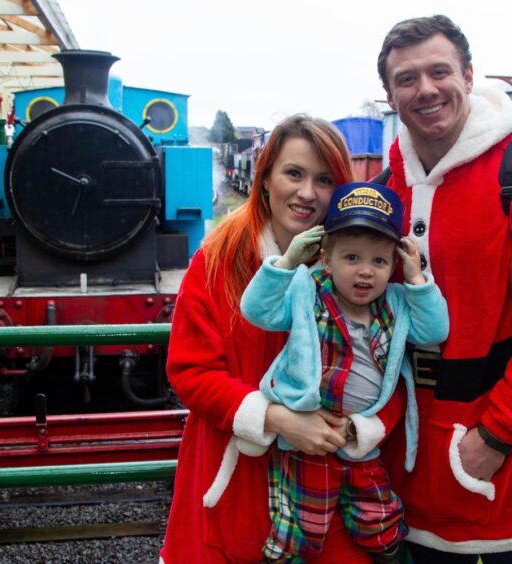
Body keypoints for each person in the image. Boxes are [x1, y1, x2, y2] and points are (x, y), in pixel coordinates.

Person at [375, 15, 512, 563]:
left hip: (508, 459)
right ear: (389, 94)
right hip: (413, 463)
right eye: (406, 79)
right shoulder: (385, 193)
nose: (425, 89)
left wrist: (496, 437)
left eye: (439, 71)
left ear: (469, 76)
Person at [162, 115, 386, 563]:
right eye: (294, 174)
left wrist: (354, 429)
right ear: (264, 178)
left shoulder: (359, 269)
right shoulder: (218, 260)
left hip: (330, 482)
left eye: (323, 179)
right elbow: (191, 371)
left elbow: (391, 363)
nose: (306, 193)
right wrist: (277, 419)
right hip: (237, 478)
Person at [216, 181, 449, 562]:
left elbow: (434, 330)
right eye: (352, 258)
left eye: (379, 261)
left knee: (378, 515)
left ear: (393, 265)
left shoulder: (396, 302)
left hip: (360, 437)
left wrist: (417, 278)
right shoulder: (309, 290)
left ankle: (388, 551)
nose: (365, 273)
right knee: (304, 522)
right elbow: (258, 311)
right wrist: (287, 263)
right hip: (309, 434)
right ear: (326, 258)